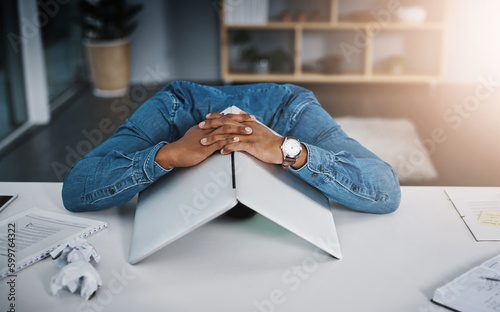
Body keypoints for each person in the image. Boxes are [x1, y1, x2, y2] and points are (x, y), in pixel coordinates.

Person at [62, 81, 401, 214]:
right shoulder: (170, 109)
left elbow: (386, 189)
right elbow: (77, 187)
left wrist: (289, 149)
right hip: (183, 100)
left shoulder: (295, 111)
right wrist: (167, 154)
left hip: (282, 103)